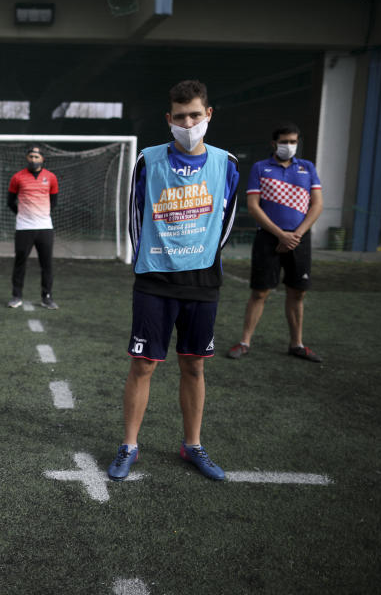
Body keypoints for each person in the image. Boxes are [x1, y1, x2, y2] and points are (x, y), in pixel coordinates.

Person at [107, 79, 239, 482]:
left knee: (194, 366)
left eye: (195, 115)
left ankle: (192, 444)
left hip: (202, 281)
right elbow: (135, 215)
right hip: (156, 278)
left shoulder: (226, 162)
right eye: (180, 117)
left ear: (208, 114)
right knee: (143, 364)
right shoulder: (148, 160)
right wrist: (148, 261)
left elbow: (228, 220)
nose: (188, 123)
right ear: (169, 119)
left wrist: (204, 256)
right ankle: (129, 445)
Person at [227, 123, 324, 362]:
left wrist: (296, 235)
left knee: (297, 292)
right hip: (268, 238)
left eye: (293, 142)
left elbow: (317, 204)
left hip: (299, 239)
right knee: (260, 292)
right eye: (285, 142)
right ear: (274, 143)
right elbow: (253, 206)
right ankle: (244, 341)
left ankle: (297, 344)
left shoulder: (307, 168)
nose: (289, 146)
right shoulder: (260, 168)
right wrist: (281, 234)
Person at [6, 145, 60, 309]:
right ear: (27, 158)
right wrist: (23, 214)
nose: (33, 159)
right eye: (31, 156)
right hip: (24, 227)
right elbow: (10, 202)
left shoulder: (51, 177)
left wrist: (40, 215)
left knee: (47, 264)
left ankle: (47, 297)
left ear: (42, 159)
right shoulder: (17, 177)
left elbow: (54, 202)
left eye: (37, 157)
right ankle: (16, 296)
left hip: (45, 227)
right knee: (20, 262)